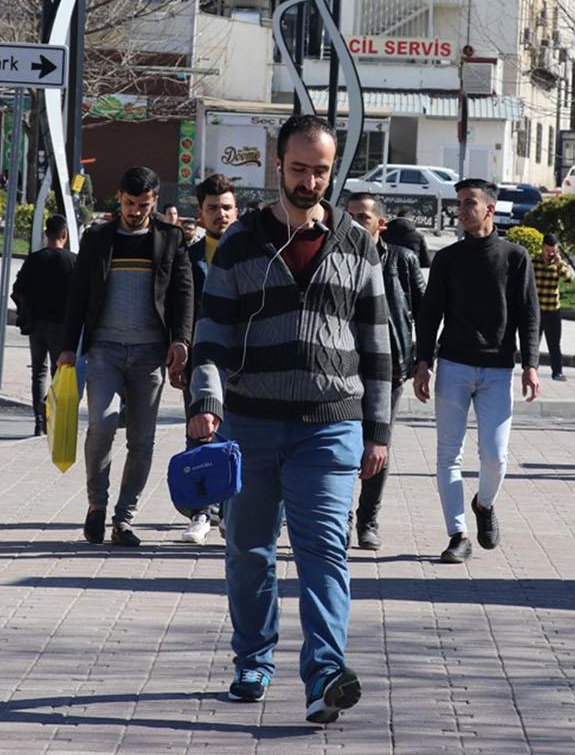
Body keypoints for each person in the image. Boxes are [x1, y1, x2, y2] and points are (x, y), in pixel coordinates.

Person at [185, 115, 389, 724]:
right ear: (278, 165)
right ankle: (253, 659)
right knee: (248, 550)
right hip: (250, 424)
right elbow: (211, 335)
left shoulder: (357, 243)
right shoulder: (241, 242)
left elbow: (377, 346)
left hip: (330, 425)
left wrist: (378, 430)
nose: (309, 181)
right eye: (299, 169)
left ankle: (324, 675)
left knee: (324, 550)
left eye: (321, 171)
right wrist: (206, 403)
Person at [58, 166, 194, 547]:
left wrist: (182, 341)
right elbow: (78, 295)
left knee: (142, 440)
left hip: (150, 354)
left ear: (155, 201)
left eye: (143, 204)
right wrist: (68, 347)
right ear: (119, 198)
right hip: (104, 350)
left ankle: (124, 519)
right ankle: (96, 505)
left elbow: (184, 293)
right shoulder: (98, 238)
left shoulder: (170, 239)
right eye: (130, 203)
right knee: (102, 424)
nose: (135, 211)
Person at [413, 178, 540, 565]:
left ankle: (484, 505)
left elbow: (528, 314)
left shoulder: (515, 256)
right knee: (448, 454)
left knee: (495, 456)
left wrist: (531, 365)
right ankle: (458, 534)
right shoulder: (448, 258)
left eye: (469, 203)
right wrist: (423, 362)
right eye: (459, 203)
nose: (462, 210)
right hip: (453, 365)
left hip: (498, 369)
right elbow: (429, 313)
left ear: (490, 209)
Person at [345, 191, 424, 551]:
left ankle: (368, 520)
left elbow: (424, 312)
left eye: (362, 217)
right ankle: (341, 519)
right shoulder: (335, 256)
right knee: (342, 445)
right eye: (349, 216)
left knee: (378, 446)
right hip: (343, 369)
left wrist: (423, 360)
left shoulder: (403, 260)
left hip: (388, 370)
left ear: (381, 224)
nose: (354, 224)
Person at [176, 173, 238, 545]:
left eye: (227, 207)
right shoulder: (189, 258)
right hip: (200, 361)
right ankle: (201, 513)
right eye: (213, 208)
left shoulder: (252, 254)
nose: (221, 214)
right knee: (200, 434)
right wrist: (179, 349)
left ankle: (231, 513)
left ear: (237, 211)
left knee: (237, 438)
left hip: (243, 363)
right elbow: (179, 309)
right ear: (200, 214)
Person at [12, 215, 76, 436]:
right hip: (62, 327)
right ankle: (52, 417)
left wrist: (26, 310)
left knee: (38, 372)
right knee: (60, 374)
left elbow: (18, 290)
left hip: (37, 325)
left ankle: (39, 423)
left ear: (46, 234)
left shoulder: (34, 259)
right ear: (65, 234)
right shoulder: (73, 261)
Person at [533, 233, 573, 382]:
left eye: (553, 250)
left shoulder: (559, 264)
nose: (550, 253)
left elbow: (569, 279)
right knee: (533, 343)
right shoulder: (533, 262)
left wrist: (559, 264)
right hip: (536, 311)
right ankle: (531, 370)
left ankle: (557, 372)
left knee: (554, 344)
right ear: (542, 247)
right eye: (548, 250)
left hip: (553, 310)